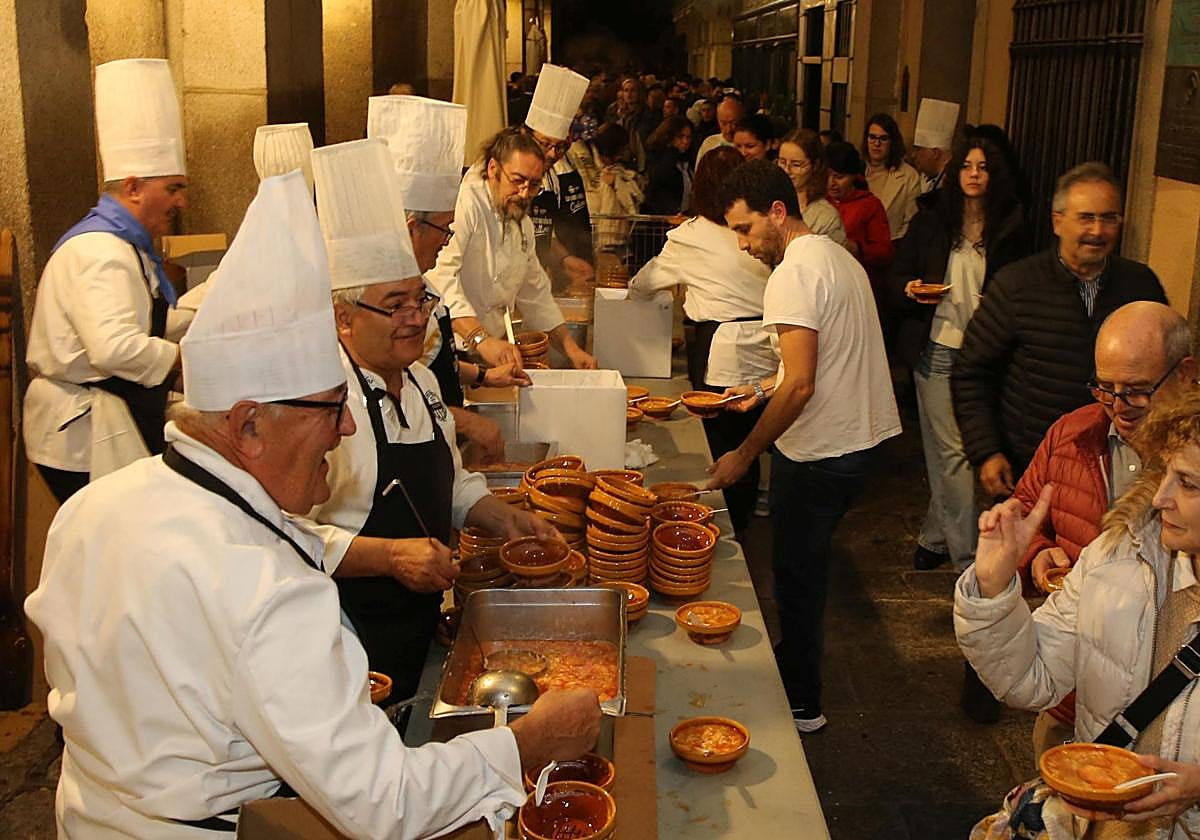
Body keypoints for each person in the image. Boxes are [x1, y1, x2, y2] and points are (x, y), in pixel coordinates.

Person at [24, 170, 602, 838]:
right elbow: (386, 803)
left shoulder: (91, 510)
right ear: (246, 426)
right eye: (332, 409)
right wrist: (526, 744)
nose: (348, 426)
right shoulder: (266, 588)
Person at [308, 138, 557, 701]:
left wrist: (497, 515)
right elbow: (283, 533)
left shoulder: (420, 381)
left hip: (418, 625)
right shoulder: (325, 405)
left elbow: (450, 477)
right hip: (344, 640)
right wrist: (390, 556)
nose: (414, 319)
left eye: (419, 302)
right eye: (394, 306)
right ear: (344, 318)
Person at [707, 160, 901, 733]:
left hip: (822, 451)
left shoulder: (793, 272)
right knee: (804, 568)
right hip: (861, 444)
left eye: (745, 230)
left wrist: (745, 455)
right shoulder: (834, 254)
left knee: (797, 576)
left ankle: (802, 702)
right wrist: (761, 388)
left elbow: (802, 383)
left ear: (777, 212)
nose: (743, 247)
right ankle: (799, 685)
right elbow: (816, 360)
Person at [955, 387, 1200, 838]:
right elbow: (1032, 678)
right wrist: (992, 590)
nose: (1160, 498)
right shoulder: (1119, 554)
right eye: (1164, 473)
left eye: (1188, 483)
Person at [1012, 302, 1195, 757]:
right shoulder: (1070, 435)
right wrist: (1036, 551)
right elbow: (1026, 510)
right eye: (1104, 388)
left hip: (1170, 722)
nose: (1117, 407)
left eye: (1136, 390)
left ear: (1186, 373)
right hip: (1074, 694)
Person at [23, 59, 196, 503]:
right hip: (81, 433)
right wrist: (185, 360)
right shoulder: (102, 251)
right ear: (135, 186)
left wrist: (200, 319)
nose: (182, 200)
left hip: (95, 419)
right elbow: (115, 347)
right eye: (173, 188)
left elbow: (142, 321)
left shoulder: (127, 244)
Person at [952, 161, 1167, 500]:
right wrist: (987, 451)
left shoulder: (1141, 285)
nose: (1098, 231)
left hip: (1119, 467)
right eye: (1086, 217)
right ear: (1057, 221)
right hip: (1033, 467)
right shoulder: (1016, 285)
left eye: (1109, 218)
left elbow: (1167, 372)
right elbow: (971, 373)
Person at [892, 136, 1032, 573]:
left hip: (985, 353)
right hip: (935, 347)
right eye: (967, 166)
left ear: (994, 174)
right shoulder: (933, 219)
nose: (974, 173)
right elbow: (898, 272)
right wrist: (911, 287)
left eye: (983, 166)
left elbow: (1020, 290)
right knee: (953, 454)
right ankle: (969, 558)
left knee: (949, 453)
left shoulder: (1011, 226)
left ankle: (936, 537)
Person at [367, 94, 522, 468]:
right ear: (410, 227)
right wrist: (463, 420)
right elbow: (386, 399)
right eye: (443, 228)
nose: (447, 239)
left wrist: (484, 375)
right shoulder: (370, 306)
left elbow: (427, 365)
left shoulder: (424, 290)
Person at [629, 146, 773, 537]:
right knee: (754, 434)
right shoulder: (759, 228)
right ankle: (750, 508)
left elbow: (643, 284)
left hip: (722, 346)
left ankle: (724, 525)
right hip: (770, 342)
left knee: (721, 438)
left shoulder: (690, 237)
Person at [425, 127, 598, 372]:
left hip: (487, 352)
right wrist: (479, 338)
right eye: (517, 181)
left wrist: (572, 350)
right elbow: (439, 278)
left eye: (534, 185)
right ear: (493, 169)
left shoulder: (521, 223)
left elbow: (535, 291)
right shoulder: (466, 205)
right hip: (447, 349)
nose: (525, 193)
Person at [523, 65, 596, 291]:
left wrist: (563, 259)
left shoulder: (552, 177)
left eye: (561, 147)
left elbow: (538, 233)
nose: (553, 154)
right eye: (545, 144)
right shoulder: (505, 180)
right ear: (525, 136)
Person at [825, 142, 894, 309]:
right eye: (827, 175)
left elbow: (885, 252)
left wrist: (856, 247)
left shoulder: (870, 205)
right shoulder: (820, 201)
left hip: (857, 289)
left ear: (854, 176)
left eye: (839, 177)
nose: (831, 183)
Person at [776, 128, 847, 246]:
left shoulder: (826, 217)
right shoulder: (767, 201)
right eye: (782, 162)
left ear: (816, 165)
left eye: (796, 164)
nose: (786, 170)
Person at [861, 113, 923, 242]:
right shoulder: (857, 170)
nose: (876, 143)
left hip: (891, 248)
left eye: (883, 138)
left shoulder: (908, 176)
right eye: (872, 137)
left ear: (892, 142)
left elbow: (910, 222)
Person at [643, 115, 694, 215]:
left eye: (688, 137)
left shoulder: (687, 160)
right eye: (681, 136)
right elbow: (661, 183)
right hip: (663, 220)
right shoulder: (659, 159)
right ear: (669, 137)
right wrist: (671, 151)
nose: (685, 141)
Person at [908, 98, 960, 193]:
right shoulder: (922, 179)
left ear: (935, 153)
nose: (913, 155)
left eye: (918, 149)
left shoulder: (954, 184)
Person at [694, 93, 744, 168]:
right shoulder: (709, 143)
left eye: (734, 123)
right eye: (724, 123)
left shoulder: (748, 146)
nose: (728, 129)